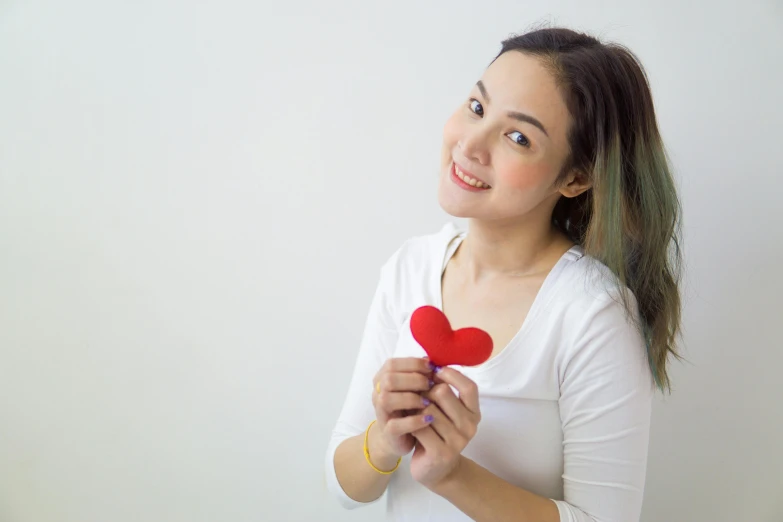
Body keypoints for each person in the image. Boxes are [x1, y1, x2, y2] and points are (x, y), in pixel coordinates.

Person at [324, 26, 683, 522]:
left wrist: (453, 476)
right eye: (477, 107)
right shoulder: (409, 268)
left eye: (518, 136)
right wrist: (384, 440)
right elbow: (345, 486)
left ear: (575, 178)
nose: (471, 144)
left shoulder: (592, 314)